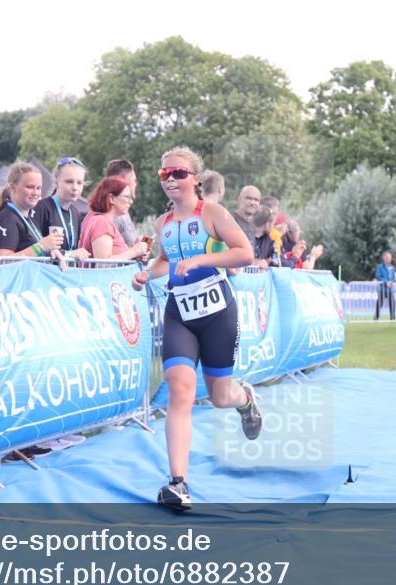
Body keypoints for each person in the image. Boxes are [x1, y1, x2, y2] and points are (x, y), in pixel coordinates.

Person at [131, 146, 262, 510]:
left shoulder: (213, 213)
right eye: (164, 175)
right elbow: (165, 261)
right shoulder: (162, 223)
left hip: (218, 312)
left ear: (195, 180)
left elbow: (244, 253)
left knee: (220, 397)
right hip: (180, 314)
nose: (170, 180)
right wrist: (148, 273)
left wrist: (202, 258)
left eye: (178, 174)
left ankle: (245, 399)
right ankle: (178, 483)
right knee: (179, 390)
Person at [0, 161, 67, 269]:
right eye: (30, 187)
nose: (36, 193)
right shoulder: (7, 219)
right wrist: (41, 246)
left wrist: (50, 252)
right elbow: (2, 262)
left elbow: (31, 251)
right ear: (13, 187)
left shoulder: (28, 217)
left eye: (39, 188)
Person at [78, 176, 150, 261]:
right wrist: (133, 251)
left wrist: (137, 252)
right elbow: (103, 263)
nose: (131, 201)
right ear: (112, 198)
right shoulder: (102, 222)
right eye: (126, 197)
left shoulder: (95, 217)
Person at [34, 157, 91, 260]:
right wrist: (70, 254)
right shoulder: (41, 207)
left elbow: (73, 249)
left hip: (66, 273)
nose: (75, 187)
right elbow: (33, 250)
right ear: (56, 182)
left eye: (79, 183)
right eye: (69, 182)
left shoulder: (75, 213)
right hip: (45, 273)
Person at [105, 159, 139, 247]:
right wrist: (136, 250)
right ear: (124, 180)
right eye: (134, 180)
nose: (136, 184)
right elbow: (105, 258)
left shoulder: (122, 210)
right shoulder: (111, 213)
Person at [374, 251, 396, 320]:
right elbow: (378, 276)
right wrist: (386, 282)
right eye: (388, 258)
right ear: (384, 258)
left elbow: (393, 277)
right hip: (382, 289)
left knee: (392, 304)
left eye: (390, 258)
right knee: (379, 303)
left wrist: (392, 281)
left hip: (390, 289)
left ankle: (392, 318)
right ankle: (377, 317)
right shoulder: (380, 267)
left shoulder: (392, 267)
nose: (390, 259)